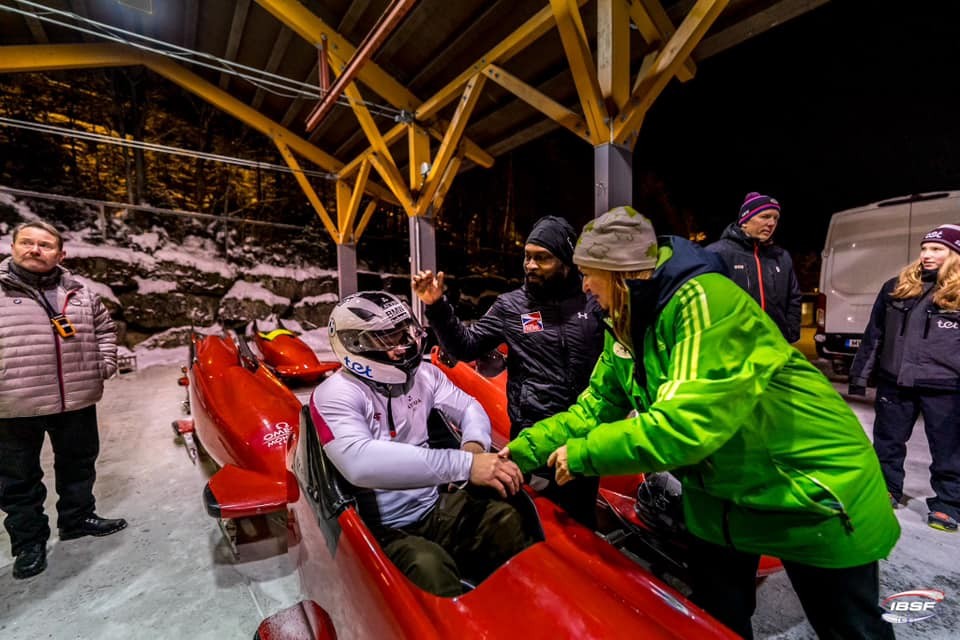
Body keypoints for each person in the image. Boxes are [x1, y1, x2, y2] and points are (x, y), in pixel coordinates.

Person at [502, 206, 900, 639]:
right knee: (714, 621)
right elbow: (593, 408)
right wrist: (521, 452)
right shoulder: (623, 325)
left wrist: (583, 455)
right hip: (724, 501)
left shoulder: (704, 303)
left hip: (809, 490)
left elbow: (685, 426)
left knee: (850, 630)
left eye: (589, 274)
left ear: (622, 274)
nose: (584, 287)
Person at [311, 291, 529, 597]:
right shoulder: (336, 393)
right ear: (355, 345)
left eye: (404, 333)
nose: (404, 345)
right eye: (388, 339)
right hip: (383, 531)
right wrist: (464, 465)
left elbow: (469, 407)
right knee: (429, 569)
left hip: (433, 507)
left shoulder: (423, 375)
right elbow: (360, 464)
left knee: (507, 522)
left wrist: (474, 447)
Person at [412, 215, 603, 526]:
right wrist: (435, 305)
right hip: (531, 436)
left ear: (567, 261)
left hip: (584, 434)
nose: (530, 265)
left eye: (543, 258)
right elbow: (465, 345)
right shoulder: (511, 307)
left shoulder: (593, 303)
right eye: (527, 256)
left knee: (580, 521)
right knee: (535, 520)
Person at [0, 221, 127, 580]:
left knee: (79, 463)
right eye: (27, 242)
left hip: (76, 397)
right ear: (13, 246)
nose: (35, 250)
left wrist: (103, 363)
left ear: (61, 253)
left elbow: (104, 329)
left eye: (45, 245)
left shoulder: (79, 292)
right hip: (14, 400)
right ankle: (28, 542)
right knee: (18, 477)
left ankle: (77, 518)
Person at [849, 223, 960, 532]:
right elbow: (875, 334)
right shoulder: (896, 286)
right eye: (925, 248)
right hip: (895, 381)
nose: (926, 254)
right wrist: (860, 376)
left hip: (945, 385)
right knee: (887, 441)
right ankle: (886, 488)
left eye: (936, 249)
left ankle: (948, 503)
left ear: (954, 254)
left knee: (948, 449)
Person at [706, 191, 802, 342]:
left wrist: (790, 332)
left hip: (775, 345)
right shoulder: (717, 253)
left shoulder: (782, 257)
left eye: (775, 218)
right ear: (745, 220)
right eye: (764, 217)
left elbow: (794, 298)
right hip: (734, 346)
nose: (771, 223)